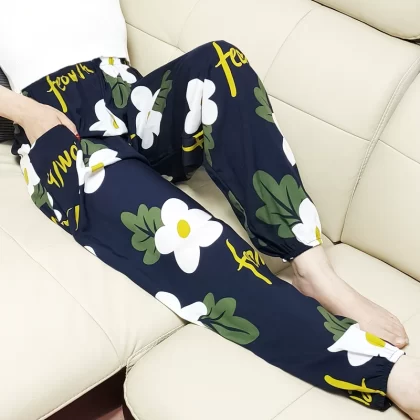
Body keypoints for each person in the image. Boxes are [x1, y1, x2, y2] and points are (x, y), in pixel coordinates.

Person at [1, 0, 419, 418]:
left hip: (130, 96)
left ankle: (314, 269)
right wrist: (28, 114)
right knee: (187, 235)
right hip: (59, 128)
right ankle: (378, 370)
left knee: (222, 62)